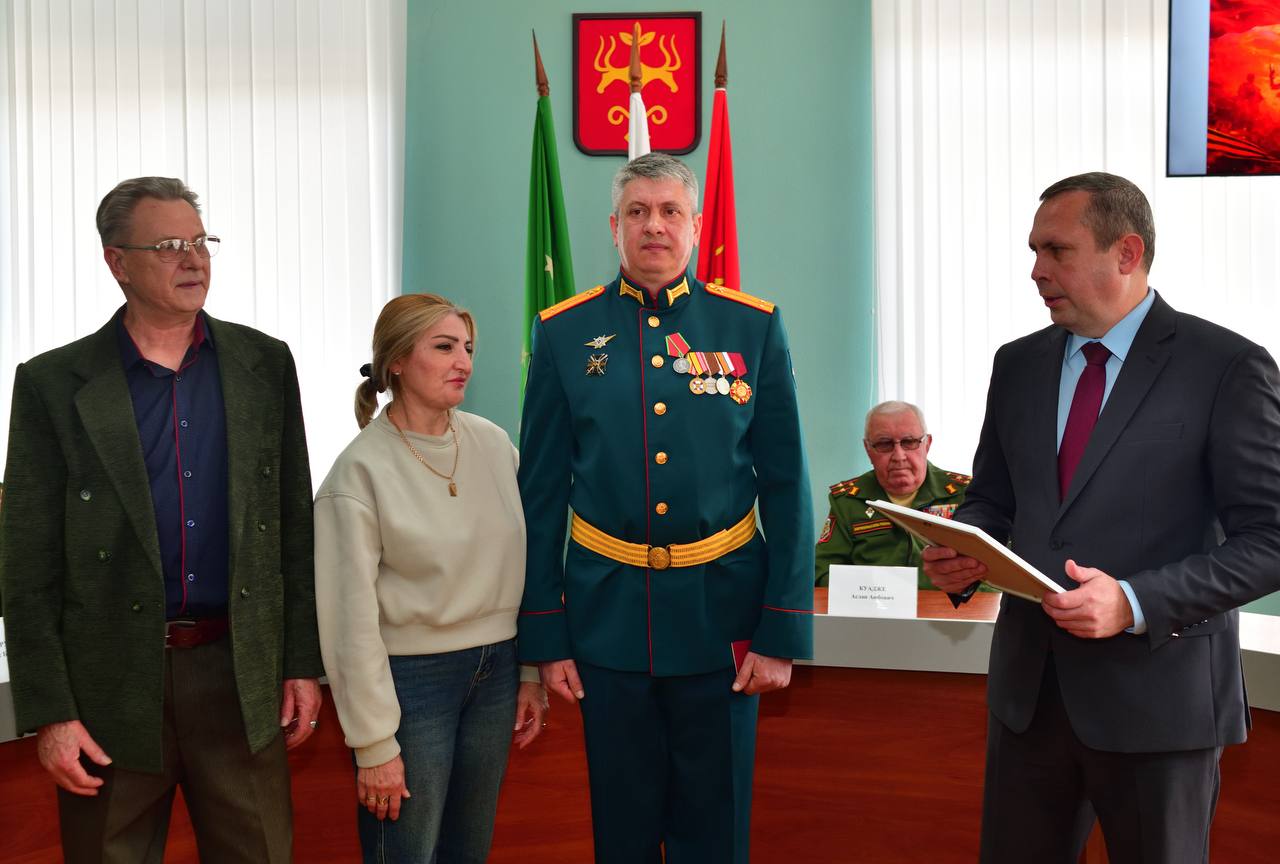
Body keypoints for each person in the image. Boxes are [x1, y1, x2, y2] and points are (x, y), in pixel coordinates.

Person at [922, 172, 1280, 863]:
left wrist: (1136, 601)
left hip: (1160, 704)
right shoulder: (1017, 364)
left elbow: (1269, 539)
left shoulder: (1225, 366)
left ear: (1127, 252)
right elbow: (993, 500)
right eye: (1034, 251)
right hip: (1029, 701)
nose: (1036, 270)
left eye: (1056, 250)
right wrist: (966, 548)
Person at [0, 176, 323, 862]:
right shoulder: (53, 384)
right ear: (117, 262)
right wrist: (51, 712)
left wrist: (301, 663)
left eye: (201, 242)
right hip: (111, 687)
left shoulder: (264, 364)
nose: (194, 259)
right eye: (169, 246)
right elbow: (26, 563)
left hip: (239, 675)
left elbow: (293, 528)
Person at [517, 152, 814, 864]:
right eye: (639, 212)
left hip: (724, 624)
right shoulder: (563, 332)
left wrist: (781, 629)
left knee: (716, 833)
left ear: (696, 226)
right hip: (607, 624)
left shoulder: (750, 327)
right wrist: (546, 635)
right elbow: (542, 495)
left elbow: (786, 485)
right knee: (621, 833)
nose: (654, 225)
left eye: (670, 211)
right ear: (614, 227)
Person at [314, 293, 547, 863]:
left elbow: (529, 563)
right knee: (407, 853)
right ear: (396, 360)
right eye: (444, 347)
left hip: (497, 669)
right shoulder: (358, 472)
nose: (463, 361)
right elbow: (348, 622)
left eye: (467, 348)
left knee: (469, 850)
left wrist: (530, 672)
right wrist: (374, 743)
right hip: (410, 682)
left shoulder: (494, 444)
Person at [815, 400, 973, 589]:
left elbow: (991, 574)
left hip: (948, 605)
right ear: (868, 450)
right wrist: (872, 589)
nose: (899, 456)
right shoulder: (847, 501)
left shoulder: (965, 494)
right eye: (884, 444)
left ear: (927, 444)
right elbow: (822, 573)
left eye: (909, 442)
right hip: (872, 605)